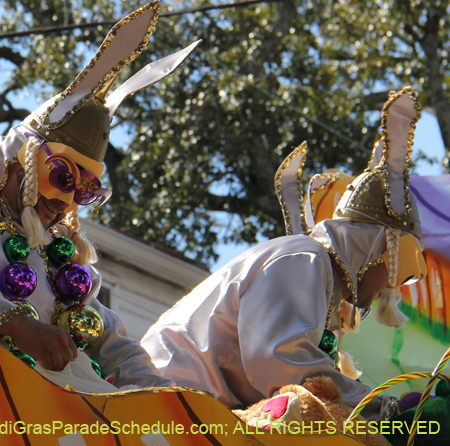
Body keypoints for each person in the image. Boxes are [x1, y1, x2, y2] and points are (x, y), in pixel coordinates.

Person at [0, 2, 198, 391]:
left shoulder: (59, 252)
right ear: (24, 155)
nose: (67, 202)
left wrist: (162, 402)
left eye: (87, 190)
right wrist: (17, 326)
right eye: (63, 175)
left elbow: (111, 341)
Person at [141, 87, 427, 417]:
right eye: (400, 271)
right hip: (169, 409)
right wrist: (386, 409)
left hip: (196, 410)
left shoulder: (317, 271)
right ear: (379, 248)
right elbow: (282, 363)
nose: (391, 290)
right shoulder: (303, 260)